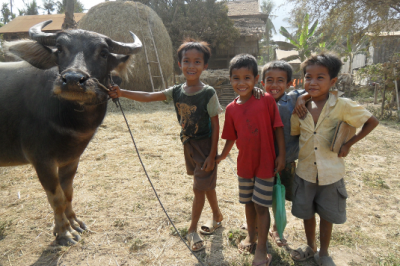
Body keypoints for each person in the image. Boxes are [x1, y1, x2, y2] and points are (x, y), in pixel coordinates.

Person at [108, 39, 224, 252]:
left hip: (205, 146)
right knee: (204, 183)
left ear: (205, 66)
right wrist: (122, 93)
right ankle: (217, 215)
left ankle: (192, 230)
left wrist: (211, 154)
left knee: (199, 187)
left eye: (197, 61)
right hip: (188, 144)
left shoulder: (208, 93)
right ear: (179, 64)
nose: (191, 66)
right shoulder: (177, 90)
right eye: (186, 61)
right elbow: (150, 96)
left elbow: (216, 124)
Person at [290, 52, 379, 265]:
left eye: (320, 77)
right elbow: (295, 133)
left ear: (333, 81)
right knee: (307, 213)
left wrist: (348, 144)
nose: (313, 82)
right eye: (308, 77)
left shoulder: (343, 105)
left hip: (331, 173)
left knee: (327, 215)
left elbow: (371, 121)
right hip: (305, 172)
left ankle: (324, 252)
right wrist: (300, 100)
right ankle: (310, 247)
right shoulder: (300, 107)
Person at [216, 54, 286, 266]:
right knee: (247, 203)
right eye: (236, 78)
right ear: (230, 80)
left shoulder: (265, 100)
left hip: (266, 165)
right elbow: (230, 137)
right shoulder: (230, 109)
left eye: (247, 77)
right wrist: (221, 156)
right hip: (244, 166)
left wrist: (281, 155)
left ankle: (262, 247)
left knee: (261, 205)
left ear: (256, 79)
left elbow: (278, 128)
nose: (241, 82)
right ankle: (252, 237)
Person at [260, 60, 309, 247]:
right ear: (262, 82)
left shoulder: (293, 99)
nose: (274, 85)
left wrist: (302, 99)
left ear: (289, 83)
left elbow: (315, 91)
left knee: (279, 196)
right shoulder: (258, 100)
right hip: (262, 162)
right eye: (269, 80)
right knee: (261, 197)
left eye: (280, 80)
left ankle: (275, 227)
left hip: (286, 161)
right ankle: (258, 226)